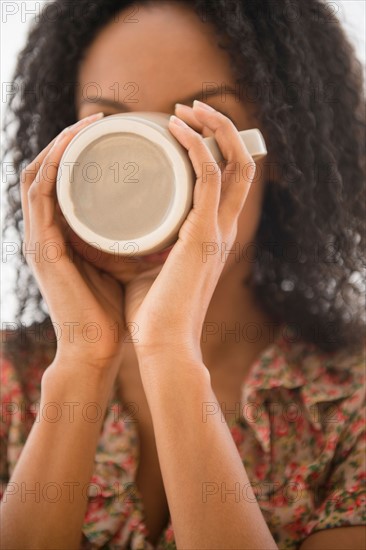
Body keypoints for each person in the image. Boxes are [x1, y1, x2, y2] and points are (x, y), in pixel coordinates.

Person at [1, 0, 365, 548]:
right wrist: (81, 360)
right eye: (110, 125)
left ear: (279, 152)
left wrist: (170, 354)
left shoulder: (351, 402)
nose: (142, 175)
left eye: (198, 126)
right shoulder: (10, 383)